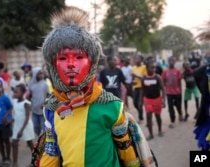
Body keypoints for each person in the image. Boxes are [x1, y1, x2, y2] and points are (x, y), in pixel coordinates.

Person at [33, 7, 154, 167]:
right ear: (53, 66)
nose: (70, 64)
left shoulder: (111, 105)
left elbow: (126, 150)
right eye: (62, 57)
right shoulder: (51, 109)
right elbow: (51, 151)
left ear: (92, 63)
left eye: (79, 57)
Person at [140, 60, 166, 140]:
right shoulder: (143, 78)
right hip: (148, 100)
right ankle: (151, 134)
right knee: (148, 116)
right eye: (152, 68)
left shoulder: (158, 77)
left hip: (157, 99)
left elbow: (163, 89)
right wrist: (140, 101)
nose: (153, 70)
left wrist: (163, 100)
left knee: (158, 116)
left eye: (154, 68)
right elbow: (142, 90)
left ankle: (160, 130)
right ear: (147, 68)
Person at [12, 84, 34, 167]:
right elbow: (17, 115)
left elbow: (27, 117)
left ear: (23, 93)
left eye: (16, 92)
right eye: (14, 92)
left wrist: (22, 130)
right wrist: (11, 121)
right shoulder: (15, 102)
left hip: (26, 126)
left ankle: (35, 159)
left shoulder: (26, 103)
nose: (14, 94)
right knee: (14, 144)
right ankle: (15, 163)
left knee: (30, 143)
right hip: (17, 126)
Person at [193, 54, 210, 151]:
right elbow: (196, 74)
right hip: (208, 112)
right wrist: (204, 91)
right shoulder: (203, 71)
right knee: (205, 141)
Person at [162, 56, 183, 128]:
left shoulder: (178, 71)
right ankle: (172, 121)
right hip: (169, 93)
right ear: (168, 61)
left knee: (178, 105)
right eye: (170, 60)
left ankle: (180, 114)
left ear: (175, 62)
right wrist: (164, 90)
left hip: (177, 92)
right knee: (170, 107)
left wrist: (180, 91)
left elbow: (180, 82)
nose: (171, 62)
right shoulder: (165, 71)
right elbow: (163, 81)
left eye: (173, 60)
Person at [28, 67, 49, 136]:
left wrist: (45, 104)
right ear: (35, 74)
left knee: (43, 128)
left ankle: (43, 143)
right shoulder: (31, 84)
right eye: (39, 73)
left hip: (42, 110)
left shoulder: (45, 84)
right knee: (36, 127)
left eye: (42, 73)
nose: (41, 75)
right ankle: (39, 137)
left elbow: (48, 95)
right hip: (34, 110)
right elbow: (30, 95)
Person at [132, 55, 147, 123]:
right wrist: (133, 82)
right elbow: (133, 78)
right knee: (135, 103)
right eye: (135, 59)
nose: (136, 60)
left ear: (141, 60)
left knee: (139, 103)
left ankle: (140, 117)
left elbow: (145, 78)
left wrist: (136, 76)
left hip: (142, 88)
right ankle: (140, 111)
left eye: (138, 58)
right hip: (136, 87)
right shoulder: (134, 68)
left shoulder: (144, 67)